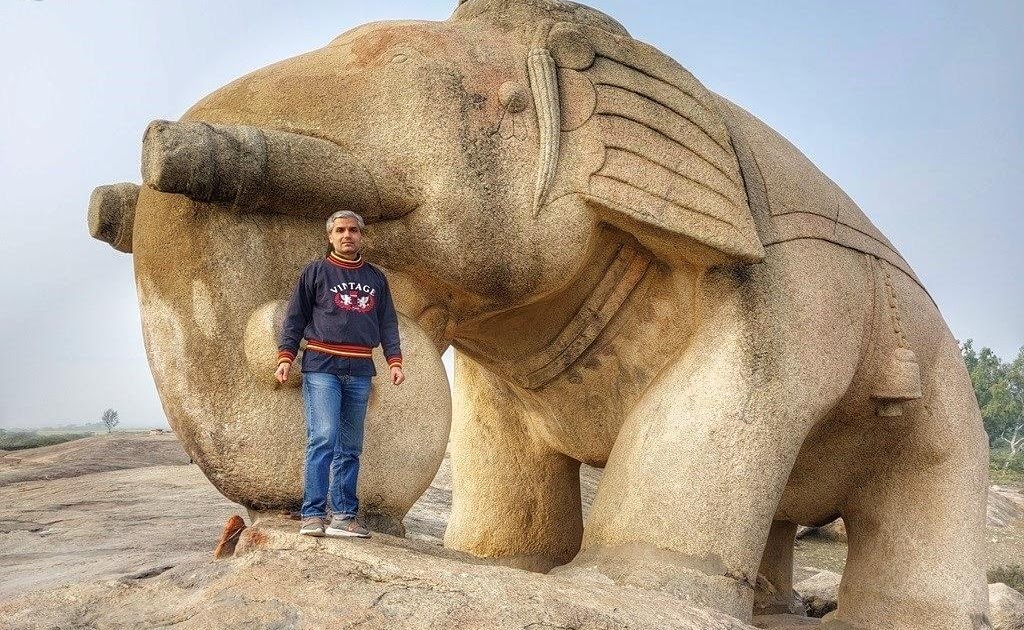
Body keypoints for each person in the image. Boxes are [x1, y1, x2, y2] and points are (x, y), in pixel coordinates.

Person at [275, 210, 405, 538]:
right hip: (322, 366)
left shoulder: (376, 279)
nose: (347, 235)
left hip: (360, 369)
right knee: (324, 436)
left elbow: (388, 322)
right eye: (340, 230)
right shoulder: (315, 273)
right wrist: (286, 356)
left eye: (353, 230)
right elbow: (295, 317)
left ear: (361, 236)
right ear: (330, 237)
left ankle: (345, 516)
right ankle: (313, 514)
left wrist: (394, 360)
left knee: (351, 446)